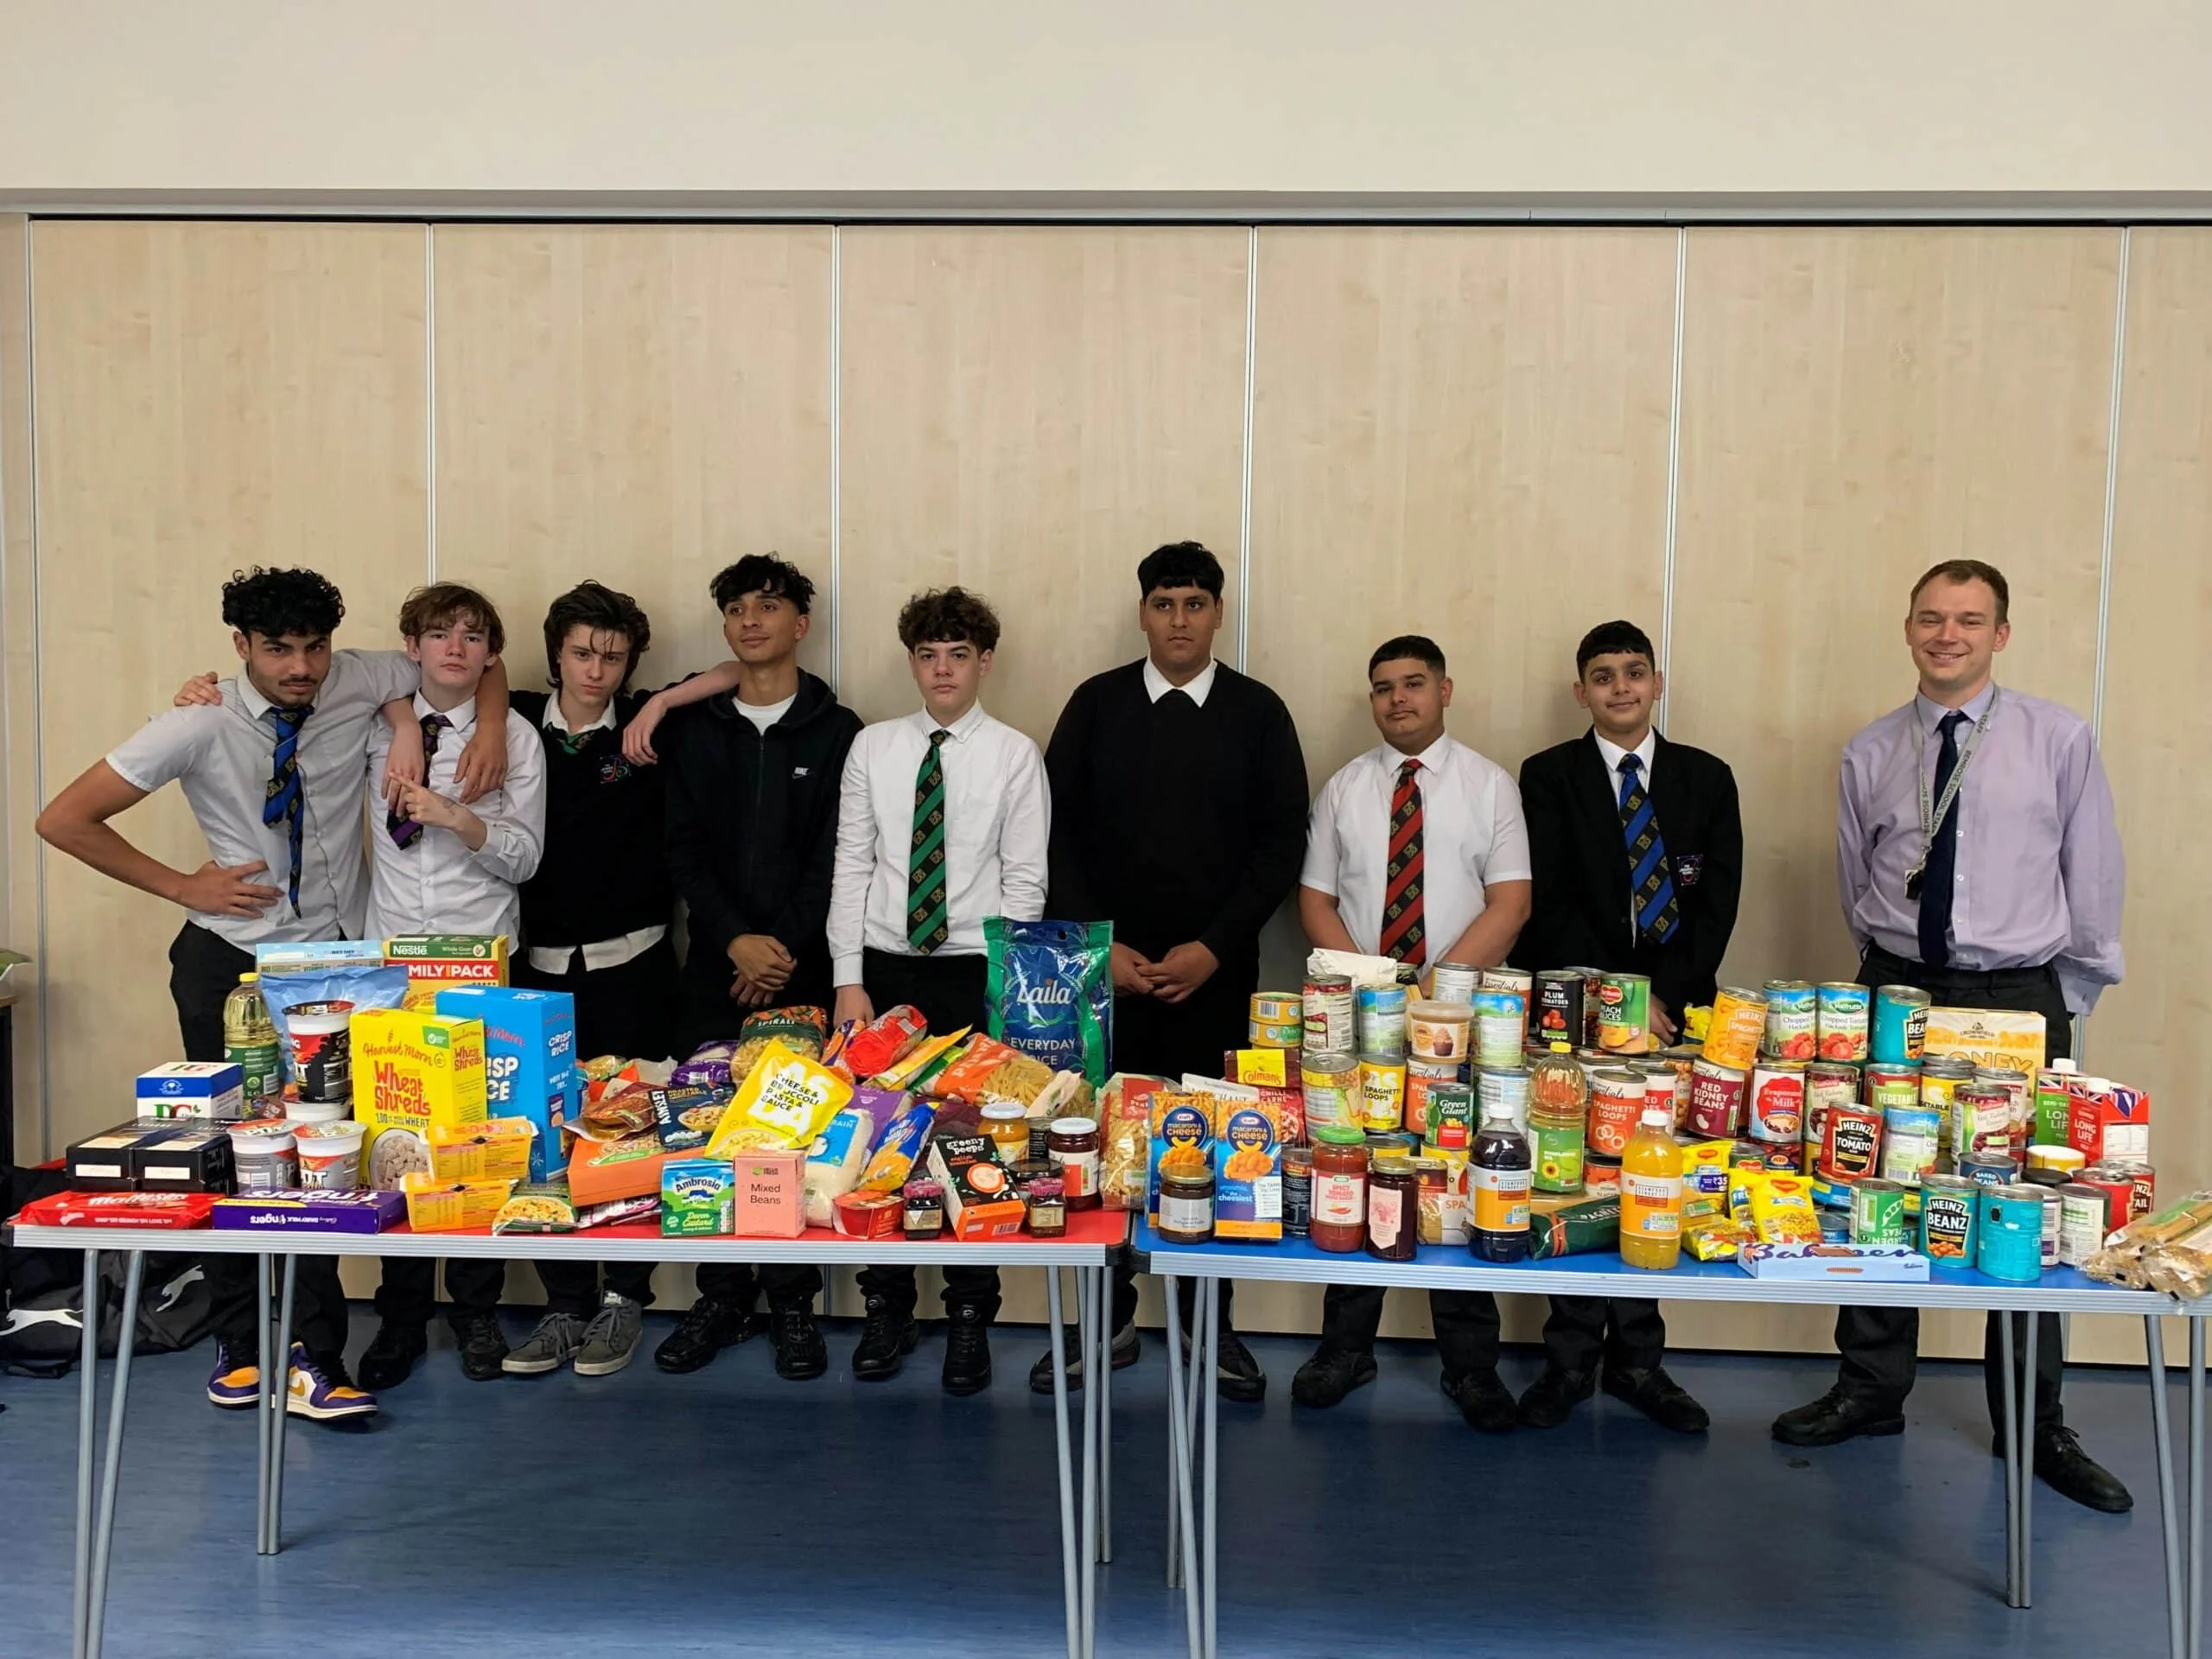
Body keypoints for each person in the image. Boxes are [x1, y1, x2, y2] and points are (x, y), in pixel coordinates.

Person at [36, 567, 507, 1422]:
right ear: (239, 648)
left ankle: (313, 1359)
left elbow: (475, 667)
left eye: (315, 646)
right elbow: (62, 820)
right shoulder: (198, 720)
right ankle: (238, 1342)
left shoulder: (353, 677)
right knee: (225, 1158)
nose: (301, 666)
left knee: (317, 1164)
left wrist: (425, 721)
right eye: (279, 649)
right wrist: (183, 884)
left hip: (328, 972)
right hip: (228, 966)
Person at [1773, 558, 2130, 1513]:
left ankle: (2033, 1419)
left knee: (2029, 1199)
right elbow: (1862, 883)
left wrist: (2071, 997)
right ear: (1907, 628)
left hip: (2018, 992)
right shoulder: (1871, 748)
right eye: (1931, 618)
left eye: (1969, 620)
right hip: (1900, 987)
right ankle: (1869, 1389)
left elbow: (2090, 876)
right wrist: (1891, 970)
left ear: (1999, 635)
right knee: (1874, 1183)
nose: (1948, 635)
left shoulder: (2058, 738)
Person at [1029, 540, 1308, 1402]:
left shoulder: (1258, 712)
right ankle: (1103, 1321)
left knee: (1218, 1150)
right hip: (1105, 978)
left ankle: (1205, 1324)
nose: (1179, 619)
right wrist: (1095, 946)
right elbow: (1058, 833)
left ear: (1217, 612)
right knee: (1102, 1150)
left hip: (1212, 977)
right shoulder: (1096, 704)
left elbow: (1278, 845)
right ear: (1143, 612)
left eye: (1194, 603)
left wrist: (1215, 946)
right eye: (1163, 603)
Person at [500, 582, 744, 1378]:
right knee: (542, 1138)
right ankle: (564, 1303)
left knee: (633, 1132)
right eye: (581, 653)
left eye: (613, 656)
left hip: (634, 965)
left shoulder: (648, 725)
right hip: (534, 973)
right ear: (555, 656)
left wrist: (659, 703)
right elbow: (432, 682)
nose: (597, 670)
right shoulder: (516, 723)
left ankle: (623, 1301)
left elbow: (737, 672)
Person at [1292, 637, 1532, 1430]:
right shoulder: (1343, 789)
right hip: (1362, 1019)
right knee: (1355, 1167)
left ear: (1445, 689)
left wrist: (1434, 989)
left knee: (1455, 1178)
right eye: (1384, 689)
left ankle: (1470, 1366)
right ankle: (1345, 1348)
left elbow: (1511, 902)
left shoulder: (1491, 786)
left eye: (1414, 685)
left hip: (1460, 1025)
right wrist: (1379, 987)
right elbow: (1317, 900)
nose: (1398, 700)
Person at [1512, 619, 1738, 1434]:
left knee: (1652, 1173)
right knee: (1575, 1174)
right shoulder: (1547, 776)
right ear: (1581, 692)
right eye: (1602, 675)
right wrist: (1618, 1004)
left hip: (1680, 1016)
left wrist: (1662, 1003)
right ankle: (1568, 1362)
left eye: (1633, 672)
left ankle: (1640, 1361)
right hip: (1576, 1016)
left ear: (1657, 682)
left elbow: (1717, 905)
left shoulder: (1707, 779)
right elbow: (1551, 899)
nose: (1619, 687)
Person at [831, 587, 1050, 1395]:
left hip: (974, 971)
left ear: (984, 661)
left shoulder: (1014, 755)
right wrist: (848, 979)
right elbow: (852, 865)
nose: (943, 669)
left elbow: (1025, 881)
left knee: (971, 1149)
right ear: (912, 662)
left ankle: (969, 1316)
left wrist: (1006, 989)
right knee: (876, 1147)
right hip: (886, 970)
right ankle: (886, 1307)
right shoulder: (875, 749)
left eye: (959, 654)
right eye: (928, 655)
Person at [651, 556, 861, 1380]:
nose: (750, 621)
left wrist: (779, 951)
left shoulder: (840, 730)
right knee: (707, 1131)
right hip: (712, 965)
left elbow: (838, 858)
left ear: (800, 623)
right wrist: (735, 939)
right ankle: (723, 1296)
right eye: (736, 608)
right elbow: (683, 851)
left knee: (792, 1138)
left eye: (768, 607)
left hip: (801, 971)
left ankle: (793, 1304)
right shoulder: (696, 731)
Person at [354, 583, 547, 1390]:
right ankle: (402, 1316)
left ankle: (475, 1312)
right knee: (396, 1148)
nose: (457, 649)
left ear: (492, 655)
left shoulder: (517, 742)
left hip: (479, 968)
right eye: (440, 635)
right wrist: (402, 721)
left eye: (474, 637)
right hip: (393, 972)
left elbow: (527, 858)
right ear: (413, 645)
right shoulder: (375, 728)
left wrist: (458, 818)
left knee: (476, 1149)